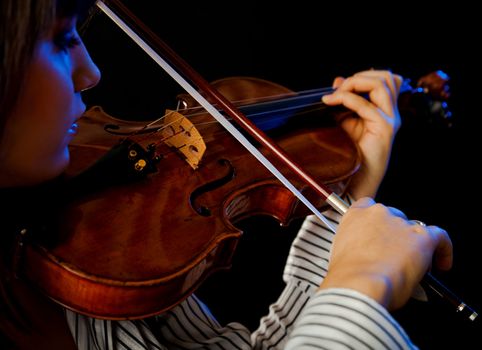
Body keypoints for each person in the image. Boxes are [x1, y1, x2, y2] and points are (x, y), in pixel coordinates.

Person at [0, 0, 453, 349]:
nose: (91, 73)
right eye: (61, 41)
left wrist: (350, 196)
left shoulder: (83, 244)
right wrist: (361, 285)